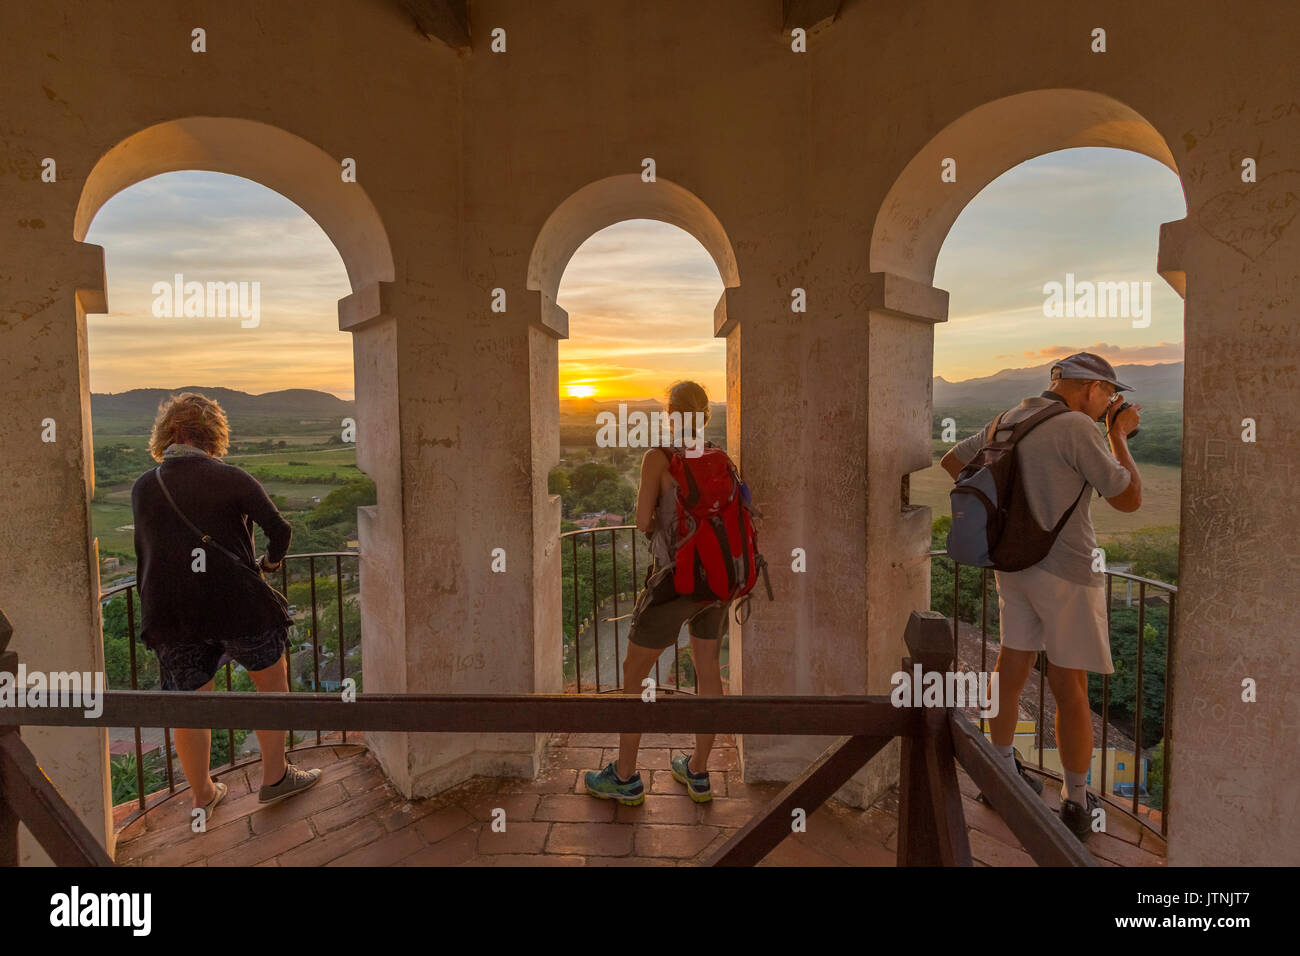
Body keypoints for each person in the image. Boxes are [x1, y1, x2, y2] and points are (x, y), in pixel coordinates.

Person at [940, 352, 1142, 841]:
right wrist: (1118, 435)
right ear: (1089, 388)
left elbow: (953, 461)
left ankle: (1001, 774)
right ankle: (1075, 800)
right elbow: (1128, 497)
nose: (1109, 405)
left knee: (1011, 668)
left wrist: (1011, 518)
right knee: (1070, 688)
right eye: (1109, 396)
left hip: (1013, 567)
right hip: (1067, 571)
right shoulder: (1076, 427)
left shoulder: (1010, 416)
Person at [131, 392, 321, 821]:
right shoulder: (231, 477)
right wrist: (268, 565)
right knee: (270, 688)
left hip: (173, 613)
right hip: (239, 605)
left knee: (191, 705)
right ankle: (276, 777)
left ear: (168, 434)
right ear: (213, 435)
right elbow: (280, 529)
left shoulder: (145, 486)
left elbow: (148, 554)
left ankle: (202, 795)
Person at [584, 381, 728, 806]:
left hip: (675, 581)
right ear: (704, 416)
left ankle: (626, 776)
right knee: (708, 671)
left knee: (634, 672)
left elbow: (645, 521)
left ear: (670, 414)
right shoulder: (719, 455)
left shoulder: (658, 459)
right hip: (717, 581)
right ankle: (698, 772)